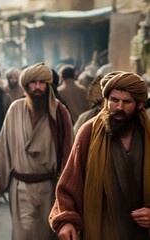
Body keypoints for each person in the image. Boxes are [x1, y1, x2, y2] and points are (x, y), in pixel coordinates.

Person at [49, 71, 150, 240]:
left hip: (141, 232)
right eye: (114, 100)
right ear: (105, 101)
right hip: (101, 228)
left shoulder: (148, 135)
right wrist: (66, 220)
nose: (119, 107)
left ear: (139, 104)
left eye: (126, 102)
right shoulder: (88, 132)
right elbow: (71, 181)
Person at [0, 62, 74, 240]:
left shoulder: (59, 112)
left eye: (42, 82)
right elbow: (4, 144)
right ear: (26, 85)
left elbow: (69, 149)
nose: (37, 87)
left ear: (48, 85)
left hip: (49, 188)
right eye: (33, 83)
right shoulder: (15, 109)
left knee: (47, 234)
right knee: (24, 234)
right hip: (21, 187)